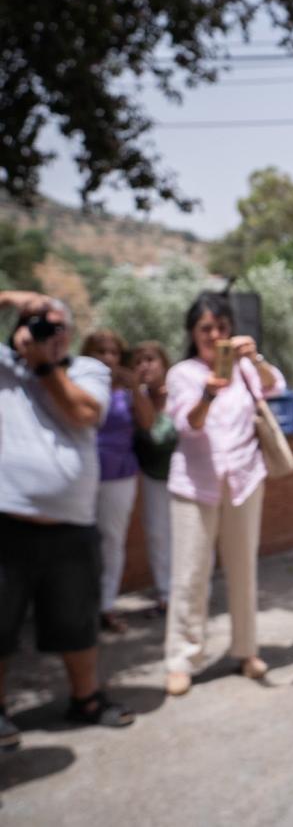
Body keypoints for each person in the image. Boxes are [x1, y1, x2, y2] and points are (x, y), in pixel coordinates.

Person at [1, 291, 134, 749]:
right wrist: (10, 298)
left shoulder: (87, 370)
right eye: (37, 323)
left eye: (56, 324)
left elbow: (83, 413)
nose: (47, 333)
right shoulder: (3, 363)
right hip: (7, 519)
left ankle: (87, 699)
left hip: (73, 522)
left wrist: (42, 366)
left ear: (72, 332)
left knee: (77, 619)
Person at [163, 293, 286, 696]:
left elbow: (276, 386)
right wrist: (209, 393)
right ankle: (182, 657)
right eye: (206, 329)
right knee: (190, 575)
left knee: (244, 570)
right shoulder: (183, 374)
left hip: (245, 481)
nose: (215, 335)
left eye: (221, 327)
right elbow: (188, 425)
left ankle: (246, 649)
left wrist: (257, 359)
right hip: (195, 486)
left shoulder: (247, 370)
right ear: (193, 333)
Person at [80, 329, 143, 633]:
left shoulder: (127, 391)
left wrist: (136, 388)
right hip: (82, 472)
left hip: (119, 473)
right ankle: (77, 608)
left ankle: (106, 606)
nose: (107, 358)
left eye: (113, 352)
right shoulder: (77, 383)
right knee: (79, 542)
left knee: (113, 541)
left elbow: (147, 423)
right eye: (100, 352)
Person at [131, 341, 178, 614]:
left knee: (187, 533)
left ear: (164, 363)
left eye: (150, 359)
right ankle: (165, 592)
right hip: (152, 476)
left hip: (184, 476)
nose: (144, 366)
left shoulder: (181, 392)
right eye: (137, 361)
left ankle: (194, 590)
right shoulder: (135, 399)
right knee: (157, 535)